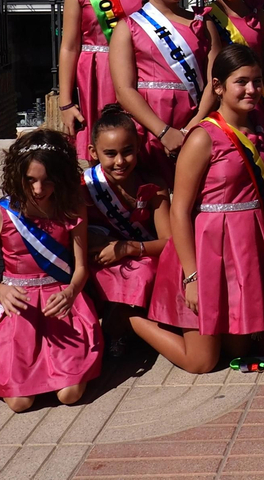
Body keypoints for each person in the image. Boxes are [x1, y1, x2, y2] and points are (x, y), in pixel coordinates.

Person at [136, 45, 264, 375]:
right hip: (206, 249)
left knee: (239, 347)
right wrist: (192, 277)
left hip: (243, 243)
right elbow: (179, 210)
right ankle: (134, 322)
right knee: (202, 362)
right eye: (241, 82)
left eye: (257, 82)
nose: (252, 90)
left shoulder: (259, 128)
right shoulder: (203, 138)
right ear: (218, 87)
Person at [0, 130, 101, 411]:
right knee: (19, 402)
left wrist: (72, 292)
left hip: (60, 304)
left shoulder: (71, 209)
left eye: (48, 181)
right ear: (17, 176)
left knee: (70, 394)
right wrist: (1, 290)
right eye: (30, 181)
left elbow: (80, 269)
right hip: (18, 307)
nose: (39, 190)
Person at [109, 0, 206, 184]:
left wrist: (193, 126)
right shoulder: (128, 27)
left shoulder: (203, 25)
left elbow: (214, 84)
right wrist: (163, 132)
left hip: (195, 121)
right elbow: (124, 90)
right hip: (148, 125)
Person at [57, 0, 145, 159]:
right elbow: (69, 46)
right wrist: (66, 101)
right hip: (95, 75)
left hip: (138, 72)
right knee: (99, 154)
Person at [83, 105, 171, 355]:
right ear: (93, 152)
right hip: (99, 262)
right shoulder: (83, 188)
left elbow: (168, 242)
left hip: (139, 256)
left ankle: (123, 324)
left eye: (128, 152)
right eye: (110, 154)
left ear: (139, 147)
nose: (120, 162)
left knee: (150, 270)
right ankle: (116, 326)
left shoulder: (154, 186)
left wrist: (130, 248)